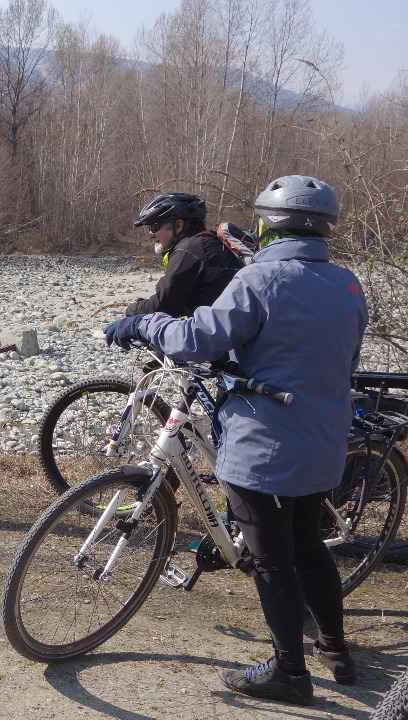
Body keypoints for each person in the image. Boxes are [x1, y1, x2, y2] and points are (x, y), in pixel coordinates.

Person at [104, 175, 366, 706]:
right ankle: (335, 651)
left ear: (268, 224)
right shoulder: (347, 284)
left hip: (265, 444)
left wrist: (143, 326)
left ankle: (290, 674)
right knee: (309, 546)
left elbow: (196, 338)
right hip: (323, 439)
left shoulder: (262, 279)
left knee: (272, 560)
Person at [126, 192, 242, 318]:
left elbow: (163, 306)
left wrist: (132, 309)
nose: (151, 234)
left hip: (224, 332)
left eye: (155, 226)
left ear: (178, 225)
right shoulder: (208, 242)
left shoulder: (188, 249)